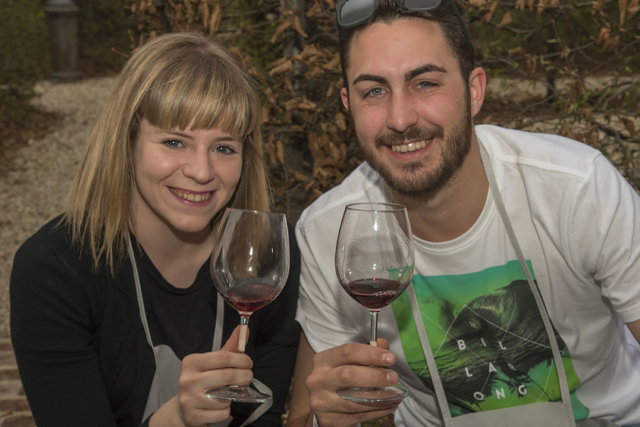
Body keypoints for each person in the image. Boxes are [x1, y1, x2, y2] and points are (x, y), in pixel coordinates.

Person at [287, 0, 640, 426]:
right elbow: (306, 413)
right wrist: (326, 415)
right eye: (374, 91)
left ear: (474, 91)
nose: (400, 118)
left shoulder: (576, 188)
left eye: (425, 83)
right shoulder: (330, 231)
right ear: (348, 104)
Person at [10, 32, 300, 427]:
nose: (201, 171)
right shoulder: (55, 271)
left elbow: (266, 418)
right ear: (126, 141)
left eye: (224, 148)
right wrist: (178, 417)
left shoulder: (268, 257)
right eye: (174, 142)